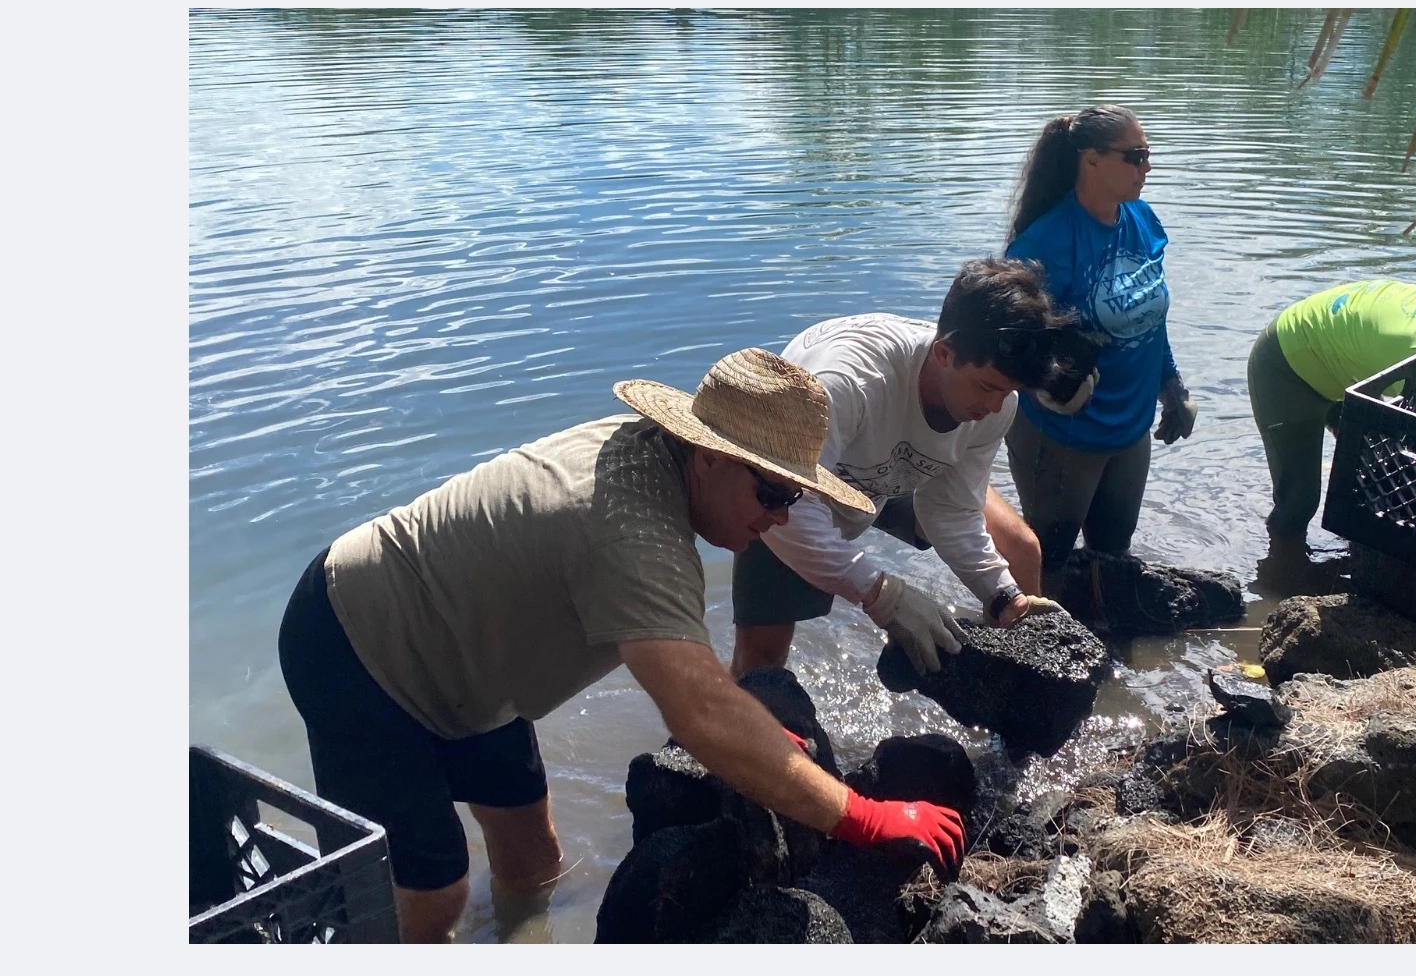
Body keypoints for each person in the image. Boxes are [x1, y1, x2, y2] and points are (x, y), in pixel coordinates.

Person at [276, 348, 967, 943]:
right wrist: (865, 817)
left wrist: (752, 739)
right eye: (770, 493)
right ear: (707, 457)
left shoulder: (656, 461)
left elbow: (700, 689)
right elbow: (699, 713)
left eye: (794, 498)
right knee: (435, 893)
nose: (780, 518)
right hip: (360, 645)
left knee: (535, 860)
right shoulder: (634, 535)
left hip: (469, 657)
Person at [728, 257, 1080, 679]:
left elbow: (951, 510)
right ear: (943, 353)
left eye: (1007, 391)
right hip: (791, 478)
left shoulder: (996, 404)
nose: (993, 407)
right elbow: (782, 509)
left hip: (886, 471)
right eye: (987, 387)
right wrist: (882, 594)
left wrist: (1004, 597)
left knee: (1021, 549)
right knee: (762, 661)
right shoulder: (843, 385)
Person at [999, 104, 1198, 588]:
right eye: (1136, 156)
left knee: (1113, 561)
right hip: (1063, 434)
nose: (1147, 167)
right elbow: (1007, 342)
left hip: (1130, 429)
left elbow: (1151, 315)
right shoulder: (1042, 244)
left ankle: (1106, 636)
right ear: (1091, 160)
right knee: (1047, 564)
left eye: (1148, 154)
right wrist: (1046, 385)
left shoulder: (1141, 219)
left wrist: (1171, 384)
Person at [1248, 278, 1416, 544]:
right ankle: (1280, 564)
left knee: (1373, 479)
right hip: (1287, 362)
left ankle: (1350, 554)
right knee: (1298, 502)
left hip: (1348, 360)